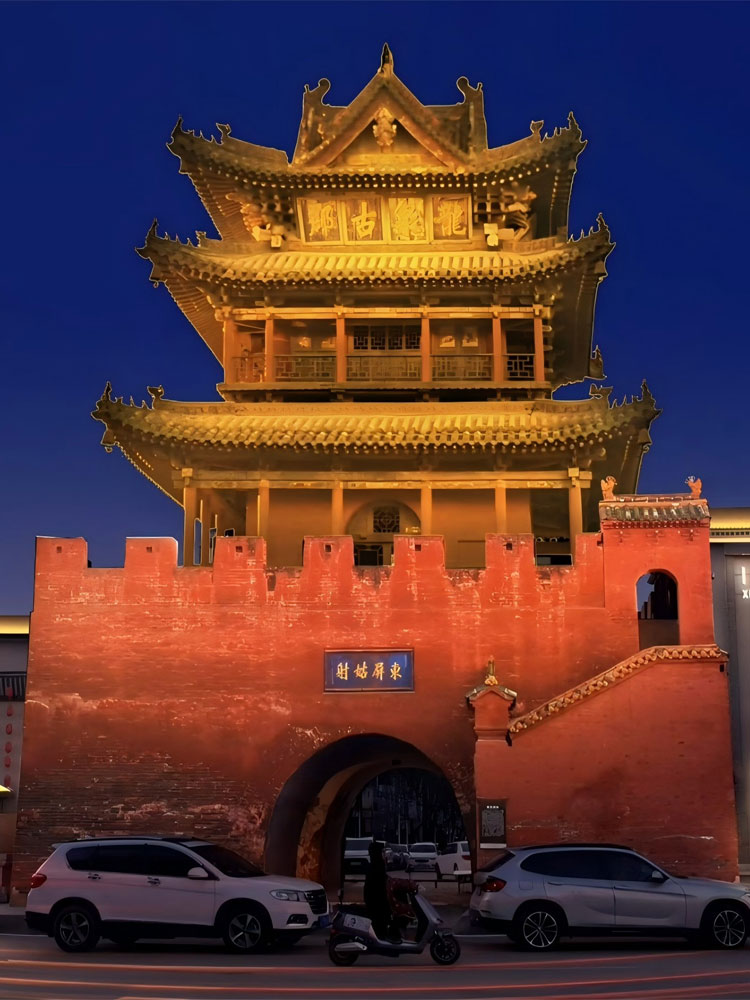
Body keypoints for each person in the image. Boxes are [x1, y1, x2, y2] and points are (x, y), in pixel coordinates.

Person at [363, 841, 401, 942]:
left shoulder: (374, 864)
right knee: (381, 918)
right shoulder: (378, 864)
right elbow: (379, 881)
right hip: (377, 898)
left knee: (380, 918)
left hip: (374, 897)